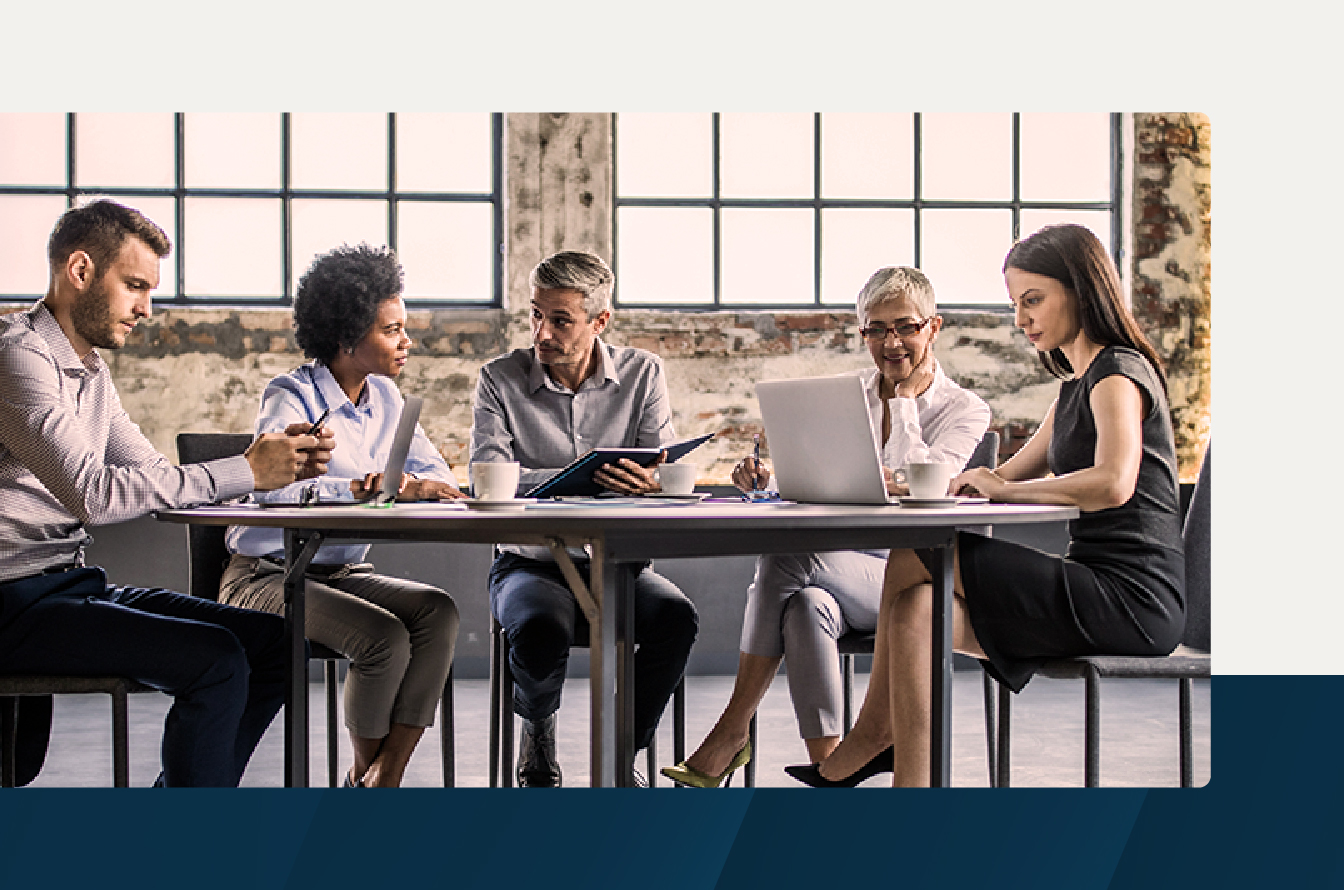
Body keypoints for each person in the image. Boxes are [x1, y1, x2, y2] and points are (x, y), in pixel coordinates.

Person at [0, 200, 330, 787]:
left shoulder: (89, 371)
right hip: (0, 608)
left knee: (276, 644)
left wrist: (278, 463)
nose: (146, 308)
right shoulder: (13, 357)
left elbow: (154, 476)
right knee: (216, 661)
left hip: (62, 588)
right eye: (135, 286)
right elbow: (93, 495)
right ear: (81, 271)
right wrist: (247, 469)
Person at [800, 223, 1185, 788]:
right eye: (1015, 304)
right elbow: (997, 476)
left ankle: (870, 733)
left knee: (919, 550)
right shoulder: (1076, 384)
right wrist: (927, 485)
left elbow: (1114, 483)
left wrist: (1004, 491)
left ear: (1079, 290)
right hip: (1093, 585)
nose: (1022, 319)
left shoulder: (1117, 373)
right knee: (916, 609)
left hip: (1133, 598)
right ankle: (914, 791)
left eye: (1033, 300)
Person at [661, 266, 991, 788]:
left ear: (933, 327)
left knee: (787, 558)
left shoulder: (964, 408)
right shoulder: (847, 397)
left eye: (905, 327)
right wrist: (769, 482)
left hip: (912, 580)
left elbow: (927, 484)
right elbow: (822, 484)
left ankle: (730, 732)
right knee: (804, 605)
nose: (892, 342)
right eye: (876, 330)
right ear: (861, 333)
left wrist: (903, 404)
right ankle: (834, 766)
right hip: (841, 572)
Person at [220, 244, 463, 788]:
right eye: (391, 330)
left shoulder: (388, 399)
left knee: (437, 611)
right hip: (266, 577)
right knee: (384, 638)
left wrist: (418, 485)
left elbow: (436, 475)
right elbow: (273, 492)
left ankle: (381, 776)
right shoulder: (291, 395)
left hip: (342, 574)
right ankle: (368, 786)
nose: (407, 341)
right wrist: (356, 488)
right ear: (347, 337)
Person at [472, 249, 699, 787]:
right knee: (538, 631)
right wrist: (580, 475)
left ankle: (621, 750)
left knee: (676, 620)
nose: (541, 333)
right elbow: (491, 476)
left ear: (600, 321)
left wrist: (650, 482)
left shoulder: (644, 374)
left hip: (618, 565)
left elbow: (662, 466)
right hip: (529, 564)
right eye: (535, 315)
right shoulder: (499, 380)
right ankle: (538, 723)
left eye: (560, 320)